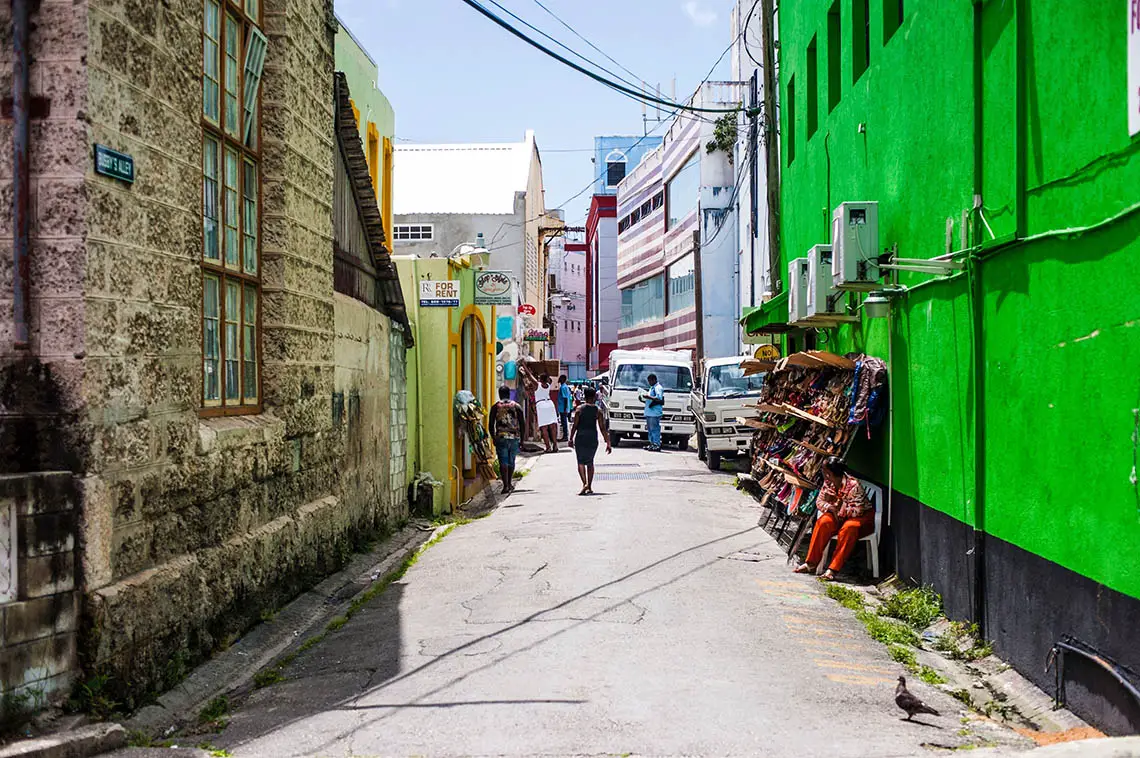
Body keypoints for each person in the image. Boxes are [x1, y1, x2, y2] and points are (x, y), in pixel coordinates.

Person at [794, 457, 874, 580]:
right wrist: (830, 507)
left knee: (849, 528)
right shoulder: (828, 482)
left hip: (859, 516)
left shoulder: (853, 486)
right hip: (838, 513)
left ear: (829, 473)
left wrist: (839, 507)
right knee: (823, 522)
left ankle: (832, 569)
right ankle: (811, 563)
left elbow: (858, 510)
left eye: (823, 470)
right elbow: (819, 501)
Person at [570, 386, 611, 495]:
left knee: (580, 462)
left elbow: (575, 426)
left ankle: (584, 484)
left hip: (580, 437)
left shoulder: (579, 409)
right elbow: (603, 428)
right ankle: (589, 486)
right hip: (592, 438)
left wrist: (570, 438)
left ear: (585, 396)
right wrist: (608, 443)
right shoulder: (598, 411)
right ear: (594, 397)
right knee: (590, 462)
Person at [488, 385, 525, 494]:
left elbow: (491, 424)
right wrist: (522, 440)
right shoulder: (516, 406)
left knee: (503, 461)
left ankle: (506, 486)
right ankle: (509, 483)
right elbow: (522, 424)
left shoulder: (496, 407)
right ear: (509, 394)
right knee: (511, 460)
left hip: (501, 437)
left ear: (499, 394)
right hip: (514, 437)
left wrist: (493, 437)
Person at [534, 374, 559, 453]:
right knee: (553, 426)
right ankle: (555, 445)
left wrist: (524, 365)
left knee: (544, 428)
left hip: (541, 405)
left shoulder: (537, 385)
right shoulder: (548, 385)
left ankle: (548, 447)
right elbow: (550, 380)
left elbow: (529, 375)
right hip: (550, 404)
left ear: (540, 379)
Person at [642, 372, 665, 451]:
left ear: (654, 380)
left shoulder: (658, 387)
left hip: (654, 413)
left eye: (650, 381)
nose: (649, 383)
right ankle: (652, 444)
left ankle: (656, 444)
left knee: (654, 429)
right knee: (650, 429)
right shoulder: (652, 388)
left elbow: (659, 398)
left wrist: (648, 396)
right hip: (649, 412)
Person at [556, 374, 573, 441]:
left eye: (560, 378)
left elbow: (565, 398)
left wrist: (565, 408)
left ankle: (565, 436)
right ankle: (564, 436)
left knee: (564, 422)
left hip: (563, 408)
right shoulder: (564, 387)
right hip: (562, 408)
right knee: (563, 422)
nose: (559, 379)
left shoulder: (563, 387)